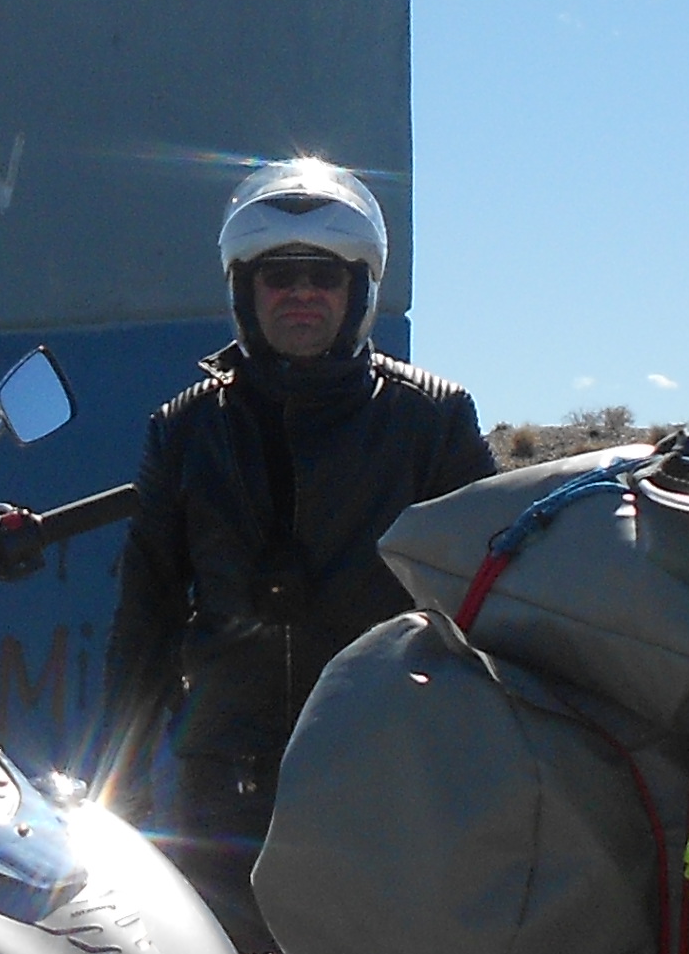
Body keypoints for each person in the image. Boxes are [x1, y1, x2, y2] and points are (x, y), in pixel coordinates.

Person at [100, 156, 492, 884]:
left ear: (360, 289)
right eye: (280, 276)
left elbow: (490, 604)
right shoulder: (184, 430)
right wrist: (116, 789)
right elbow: (145, 616)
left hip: (383, 774)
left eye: (326, 275)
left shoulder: (431, 419)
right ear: (245, 290)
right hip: (222, 786)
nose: (303, 293)